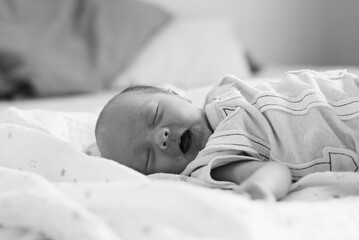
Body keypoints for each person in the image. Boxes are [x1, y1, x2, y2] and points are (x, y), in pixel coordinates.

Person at [95, 69, 359, 200]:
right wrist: (258, 190)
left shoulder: (221, 91)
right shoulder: (214, 160)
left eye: (155, 116)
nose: (159, 138)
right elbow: (275, 171)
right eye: (148, 156)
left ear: (176, 95)